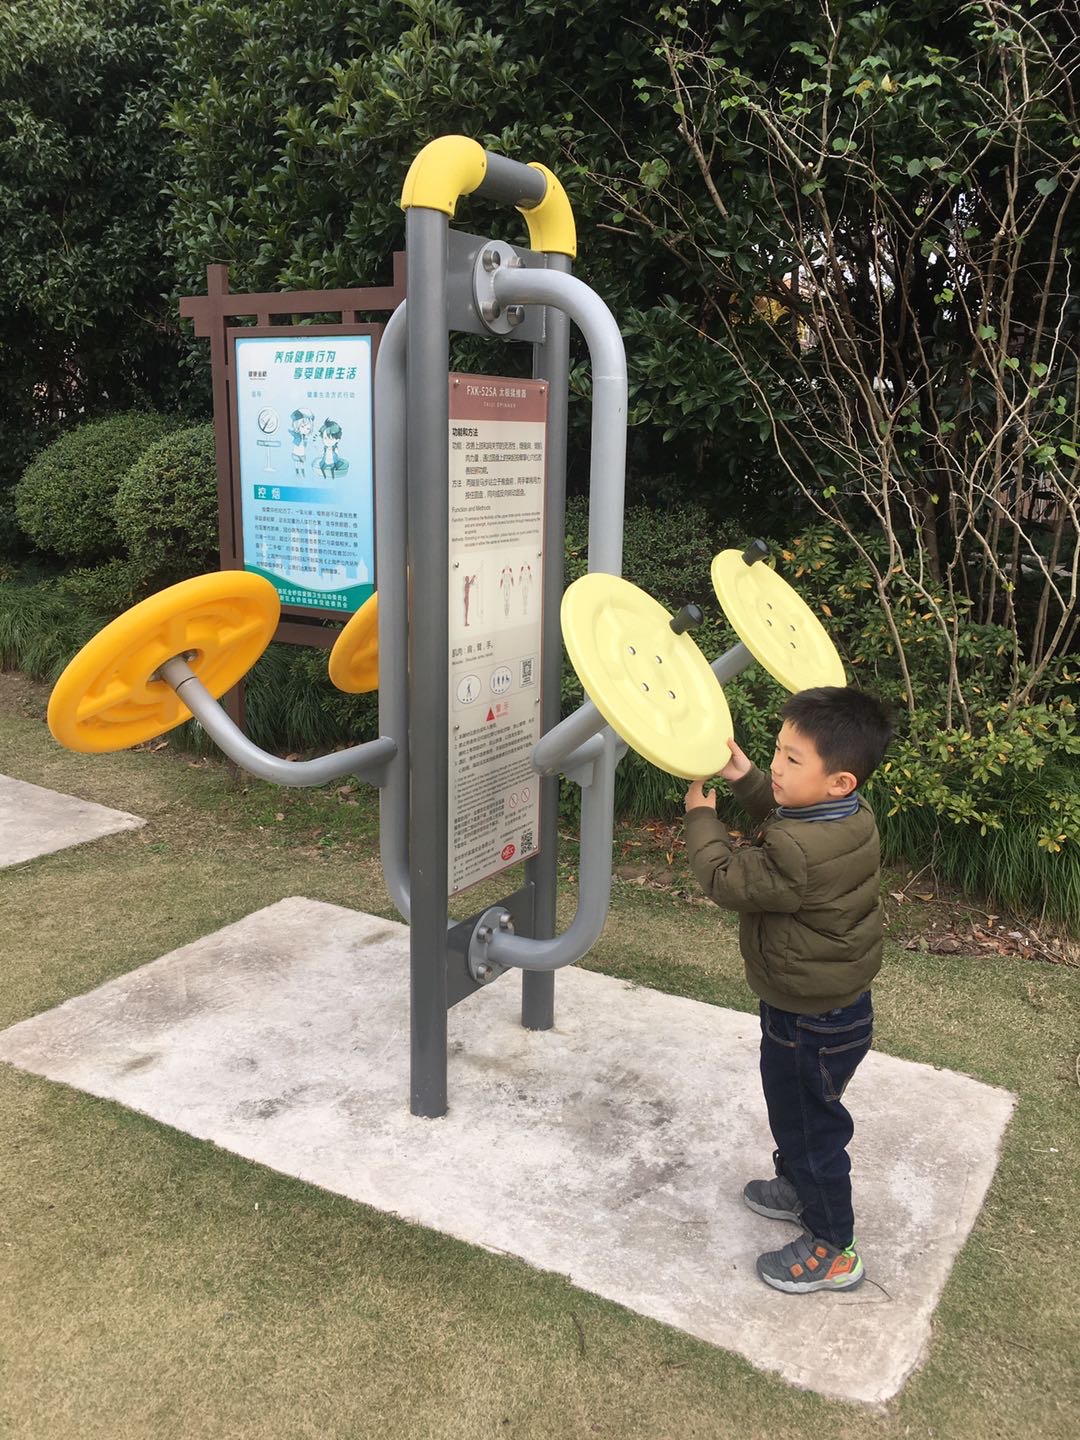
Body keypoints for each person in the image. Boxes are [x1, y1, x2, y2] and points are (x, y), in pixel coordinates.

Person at [683, 685, 894, 1294]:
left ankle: (834, 1247)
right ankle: (798, 1184)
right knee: (796, 1110)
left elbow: (725, 878)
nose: (775, 766)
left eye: (791, 760)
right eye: (776, 752)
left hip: (811, 1020)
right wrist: (745, 776)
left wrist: (703, 817)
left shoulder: (797, 851)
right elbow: (781, 815)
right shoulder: (849, 818)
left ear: (839, 782)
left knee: (812, 1129)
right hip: (829, 1005)